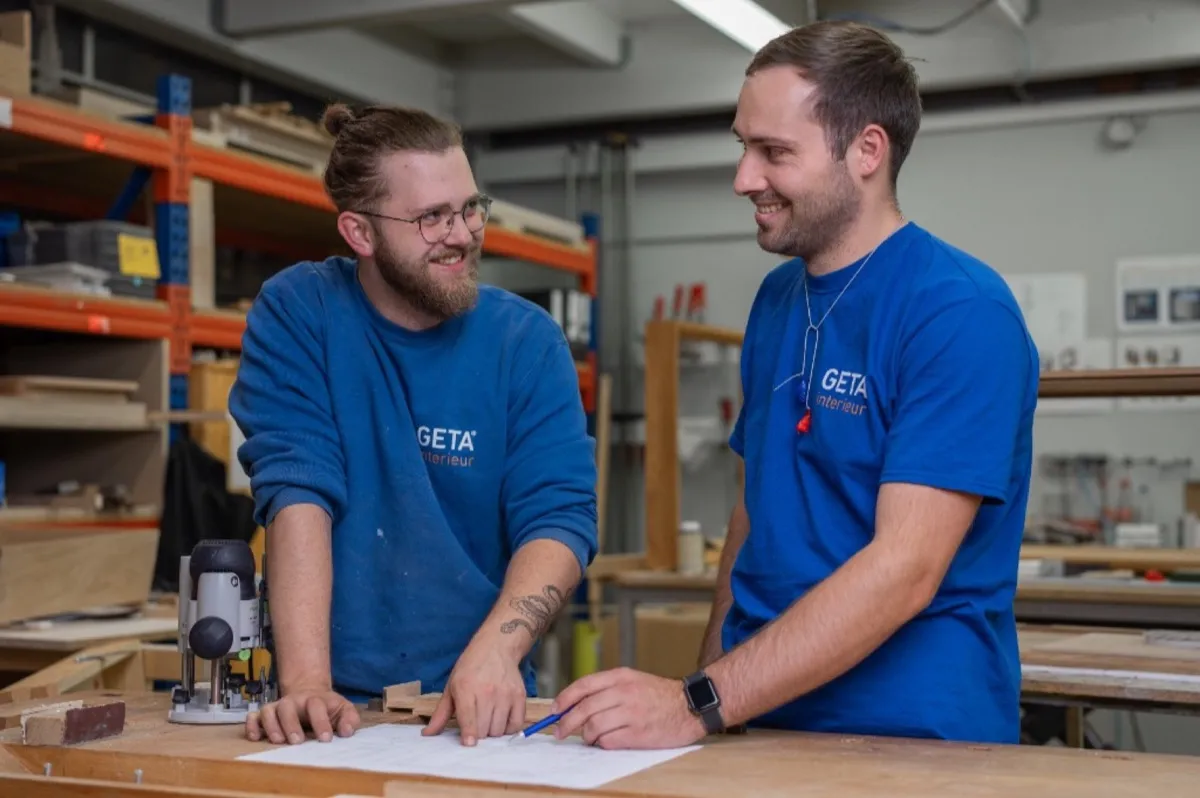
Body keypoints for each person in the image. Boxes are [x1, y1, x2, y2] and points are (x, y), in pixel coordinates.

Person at [551, 20, 1038, 750]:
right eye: (743, 146)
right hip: (766, 716)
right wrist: (716, 692)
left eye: (774, 152)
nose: (744, 178)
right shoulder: (780, 299)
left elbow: (905, 569)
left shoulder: (958, 312)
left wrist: (695, 703)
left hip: (910, 735)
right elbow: (756, 511)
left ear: (867, 150)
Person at [228, 103, 598, 748]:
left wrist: (495, 653)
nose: (462, 233)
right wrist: (308, 685)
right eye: (431, 218)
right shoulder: (300, 311)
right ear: (359, 233)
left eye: (469, 207)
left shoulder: (526, 342)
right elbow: (297, 491)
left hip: (476, 702)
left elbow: (559, 518)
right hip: (331, 700)